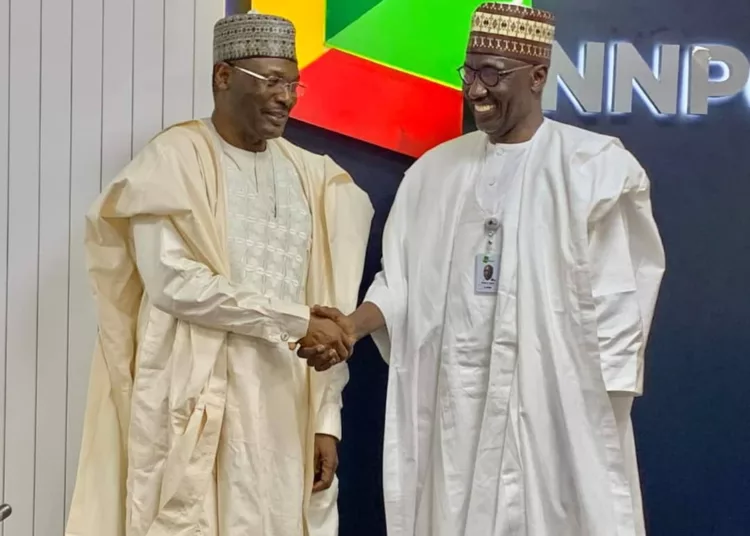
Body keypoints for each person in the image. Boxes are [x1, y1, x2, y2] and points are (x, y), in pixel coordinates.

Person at [297, 2, 666, 535]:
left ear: (538, 76)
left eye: (492, 73)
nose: (474, 90)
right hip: (456, 407)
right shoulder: (434, 173)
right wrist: (351, 327)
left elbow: (617, 305)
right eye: (468, 72)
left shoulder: (595, 170)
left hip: (553, 408)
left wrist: (588, 413)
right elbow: (400, 284)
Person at [65, 10, 373, 536]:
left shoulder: (315, 178)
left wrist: (327, 423)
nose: (287, 97)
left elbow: (329, 309)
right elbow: (172, 284)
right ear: (222, 77)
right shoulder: (173, 160)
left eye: (293, 82)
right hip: (193, 402)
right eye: (271, 80)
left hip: (283, 412)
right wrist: (295, 320)